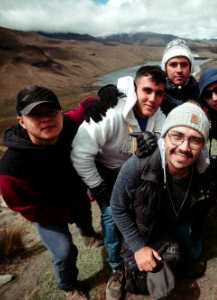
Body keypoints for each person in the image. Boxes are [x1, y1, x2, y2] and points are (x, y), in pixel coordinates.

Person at [70, 65, 167, 300]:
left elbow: (165, 146)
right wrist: (96, 184)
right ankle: (116, 268)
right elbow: (80, 153)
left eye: (159, 92)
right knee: (112, 215)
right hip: (105, 171)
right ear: (135, 88)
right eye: (147, 90)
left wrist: (155, 148)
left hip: (133, 170)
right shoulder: (110, 113)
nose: (152, 98)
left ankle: (142, 246)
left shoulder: (160, 117)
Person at [0, 85, 100, 300]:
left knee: (85, 218)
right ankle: (68, 285)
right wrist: (64, 214)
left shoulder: (68, 125)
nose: (46, 119)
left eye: (51, 111)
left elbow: (82, 108)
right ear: (22, 122)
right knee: (64, 252)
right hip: (47, 212)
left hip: (76, 197)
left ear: (60, 113)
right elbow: (25, 207)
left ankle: (88, 235)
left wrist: (92, 102)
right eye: (35, 114)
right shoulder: (11, 169)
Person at [110, 102, 217, 298]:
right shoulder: (138, 165)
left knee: (193, 254)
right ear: (164, 137)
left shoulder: (205, 171)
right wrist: (139, 246)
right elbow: (117, 207)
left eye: (195, 140)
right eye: (177, 136)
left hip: (179, 222)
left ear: (202, 147)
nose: (184, 148)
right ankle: (117, 271)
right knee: (144, 261)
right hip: (146, 225)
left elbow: (209, 200)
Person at [160, 38, 200, 115]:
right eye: (173, 64)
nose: (179, 70)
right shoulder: (157, 94)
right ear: (165, 68)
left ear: (190, 68)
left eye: (184, 64)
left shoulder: (201, 93)